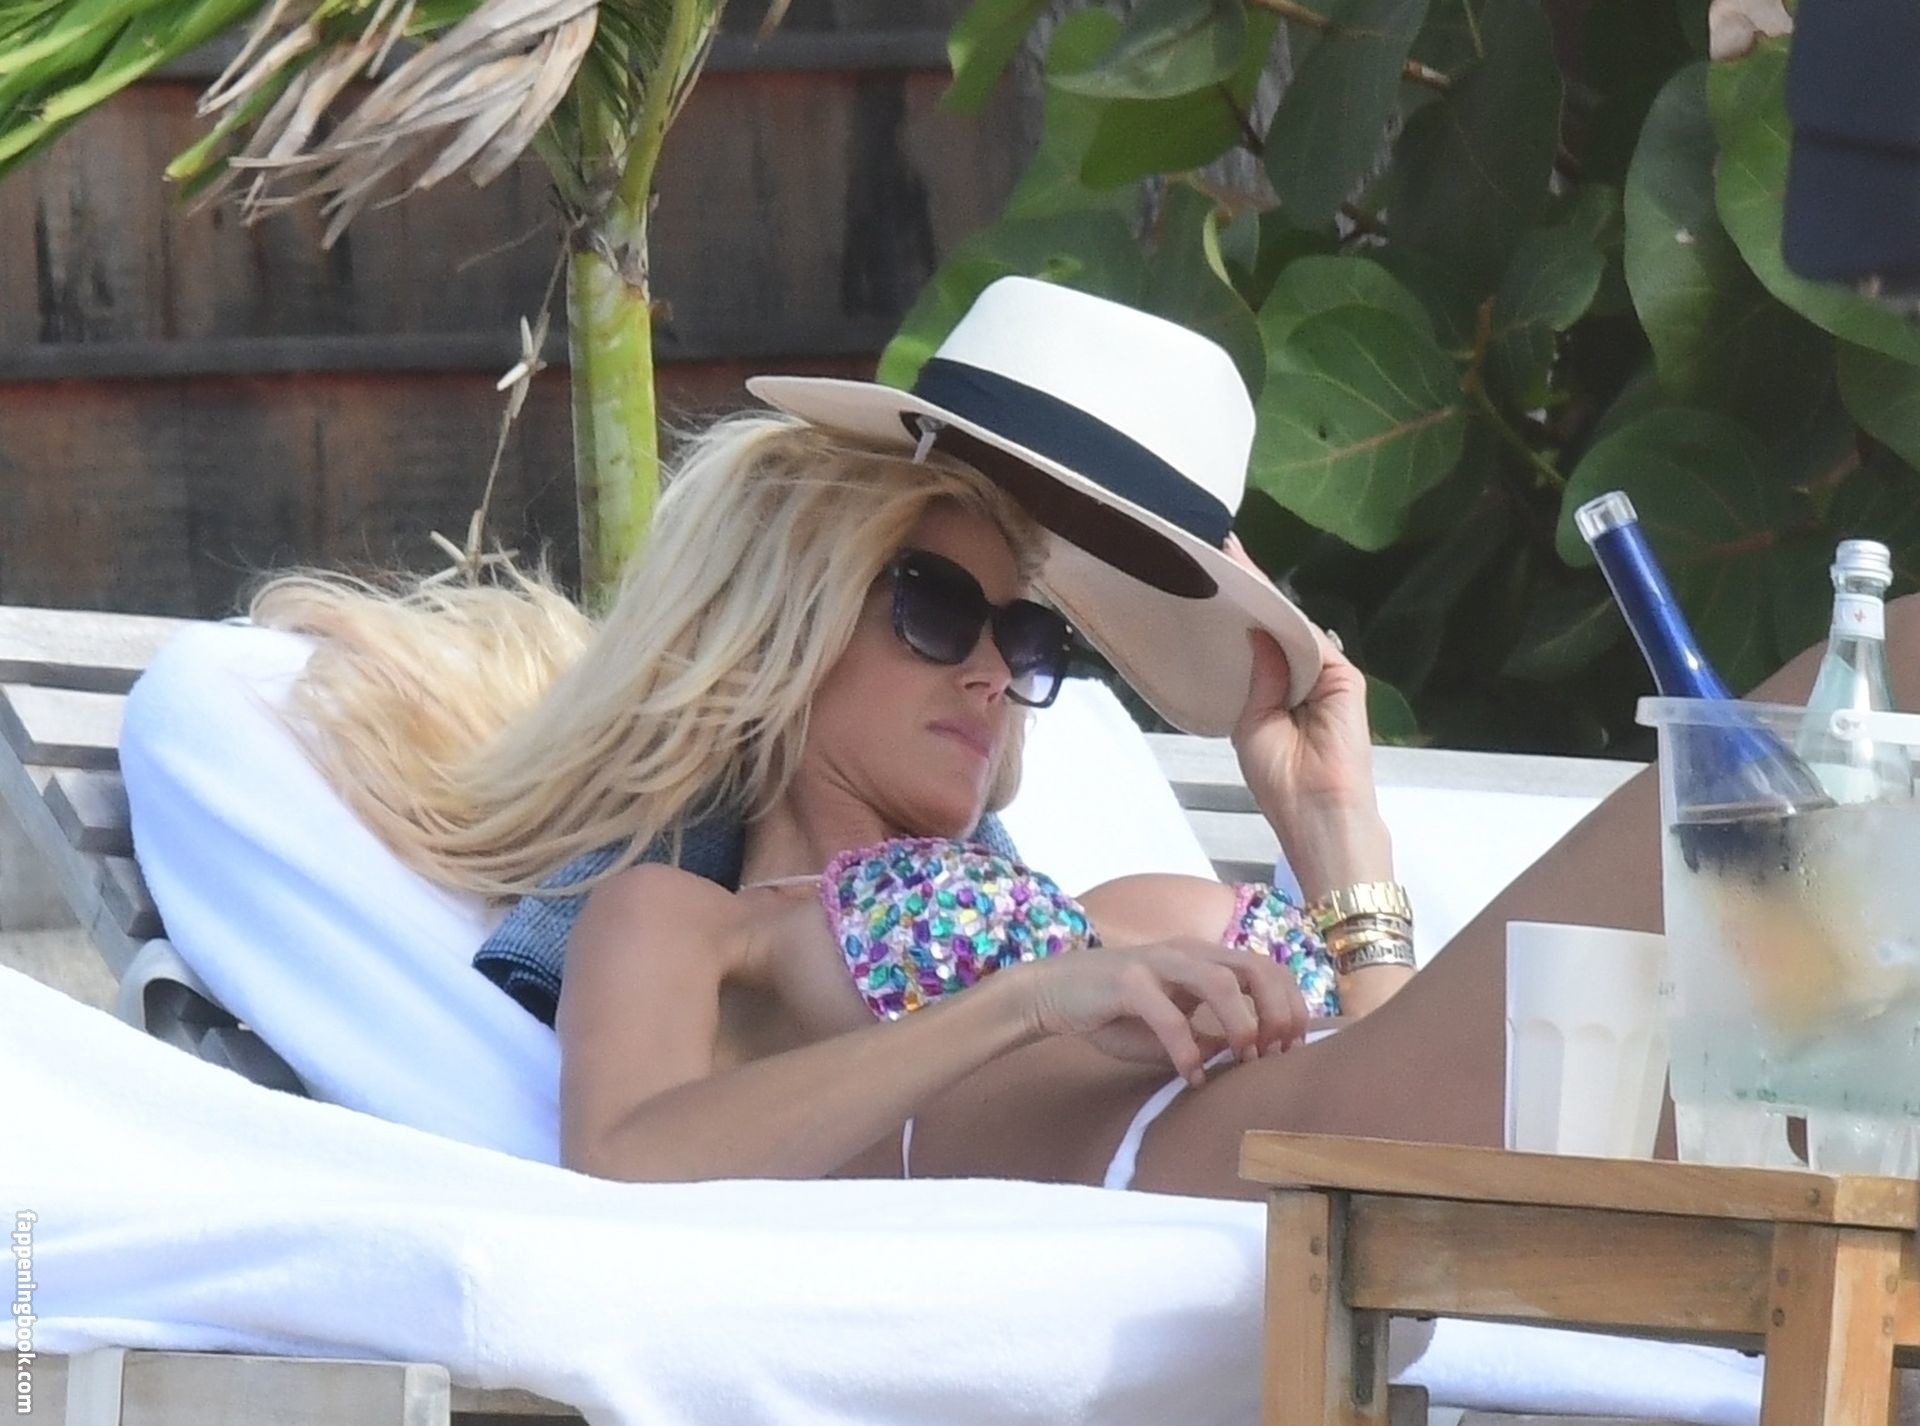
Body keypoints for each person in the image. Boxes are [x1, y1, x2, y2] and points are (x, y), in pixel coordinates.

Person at [244, 276, 1912, 1200]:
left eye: (1028, 635)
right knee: (1884, 667)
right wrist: (1026, 1004)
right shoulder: (693, 919)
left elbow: (1396, 1086)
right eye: (935, 608)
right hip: (1247, 1174)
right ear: (786, 621)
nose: (993, 669)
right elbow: (623, 1160)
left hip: (1387, 1163)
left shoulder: (1108, 908)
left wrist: (1337, 844)